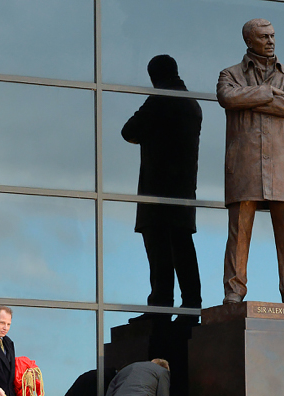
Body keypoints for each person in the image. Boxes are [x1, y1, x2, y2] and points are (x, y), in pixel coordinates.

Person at [217, 19, 284, 305]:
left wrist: (249, 100)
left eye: (272, 35)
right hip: (245, 162)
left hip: (282, 162)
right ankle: (234, 291)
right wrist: (268, 93)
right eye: (263, 36)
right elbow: (227, 97)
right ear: (249, 40)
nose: (270, 41)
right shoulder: (230, 74)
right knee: (240, 229)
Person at [122, 54, 203, 318]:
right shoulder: (192, 104)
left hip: (157, 190)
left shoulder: (159, 101)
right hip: (183, 190)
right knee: (182, 247)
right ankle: (191, 303)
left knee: (159, 251)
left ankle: (161, 304)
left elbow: (129, 130)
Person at [105, 359, 170, 396]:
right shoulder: (162, 371)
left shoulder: (127, 368)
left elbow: (111, 389)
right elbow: (163, 392)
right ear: (165, 367)